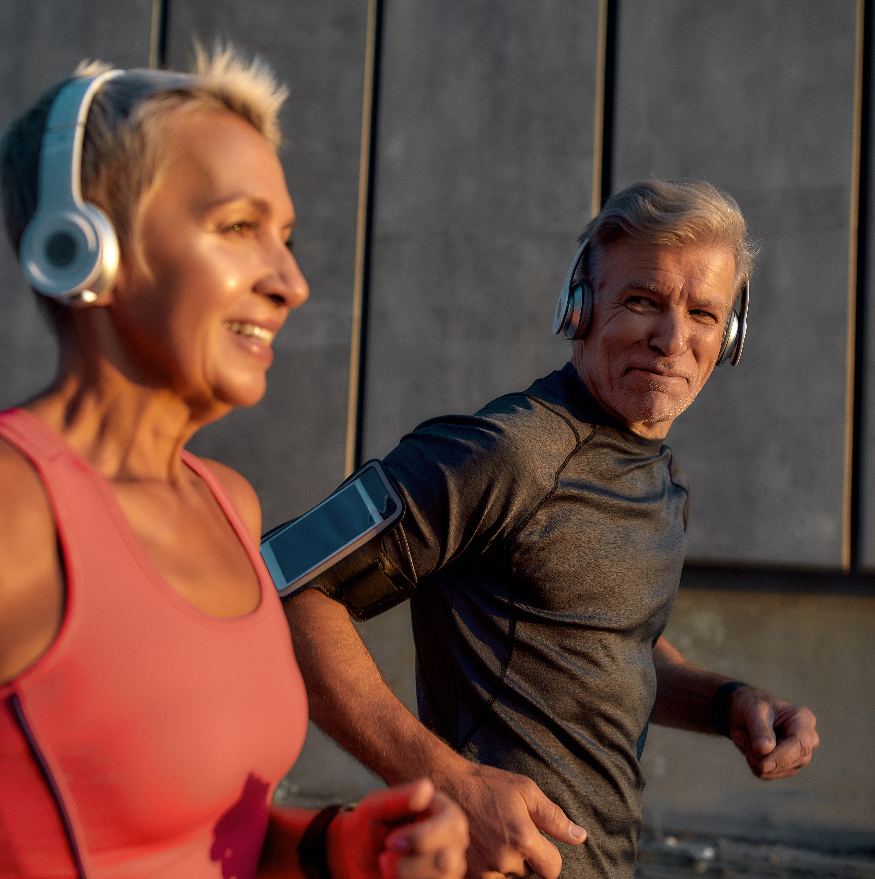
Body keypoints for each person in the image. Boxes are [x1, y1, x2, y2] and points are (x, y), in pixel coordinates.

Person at [0, 49, 468, 879]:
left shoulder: (229, 505)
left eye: (286, 238)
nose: (291, 282)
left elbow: (195, 840)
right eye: (237, 227)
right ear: (83, 246)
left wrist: (338, 850)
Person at [283, 179, 820, 879]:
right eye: (642, 301)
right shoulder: (509, 451)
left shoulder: (660, 477)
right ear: (580, 306)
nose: (671, 339)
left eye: (703, 313)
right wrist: (446, 780)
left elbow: (608, 646)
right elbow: (289, 586)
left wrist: (729, 702)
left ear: (732, 337)